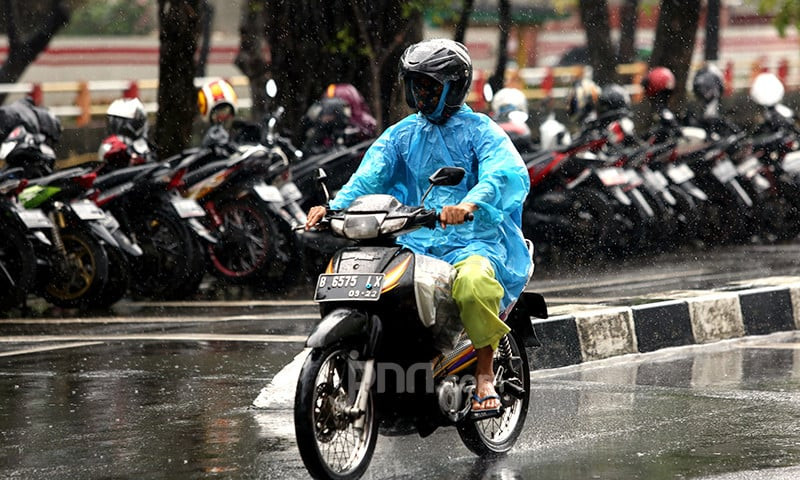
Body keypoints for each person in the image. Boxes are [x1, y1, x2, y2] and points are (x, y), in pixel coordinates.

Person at [304, 38, 532, 417]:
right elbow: (368, 176)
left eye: (430, 86)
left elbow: (503, 173)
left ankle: (485, 372)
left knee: (473, 284)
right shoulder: (402, 134)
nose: (421, 95)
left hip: (474, 242)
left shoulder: (481, 131)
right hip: (413, 240)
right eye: (416, 86)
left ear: (454, 87)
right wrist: (332, 208)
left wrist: (469, 203)